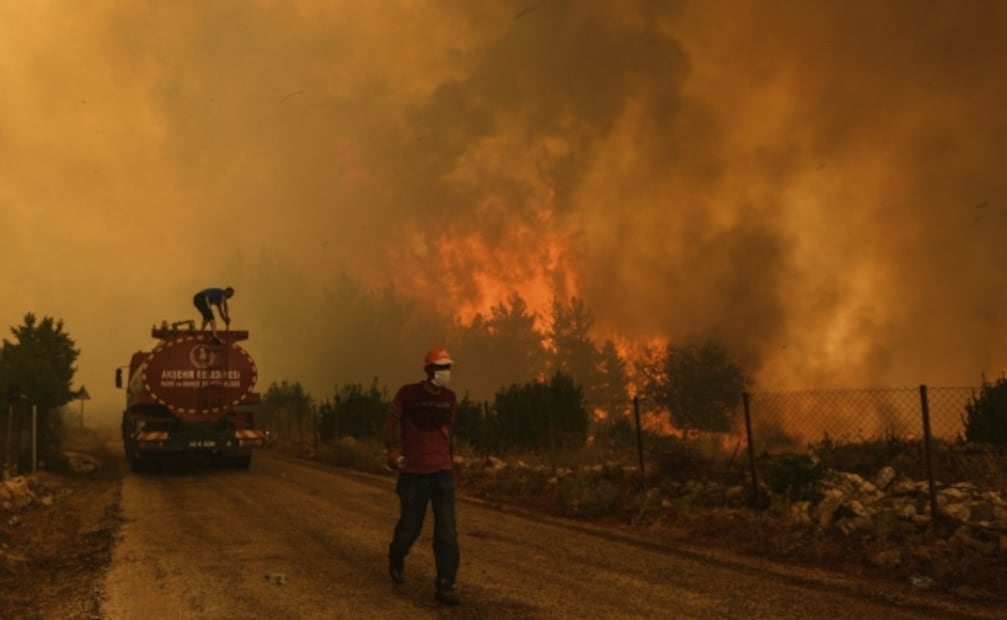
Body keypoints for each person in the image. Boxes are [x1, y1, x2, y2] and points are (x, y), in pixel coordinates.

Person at [383, 347, 461, 606]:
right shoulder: (408, 394)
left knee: (447, 532)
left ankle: (446, 584)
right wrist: (392, 451)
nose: (444, 373)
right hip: (414, 475)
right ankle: (396, 555)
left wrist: (451, 462)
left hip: (442, 474)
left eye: (447, 368)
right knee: (410, 529)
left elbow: (449, 432)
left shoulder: (450, 398)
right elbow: (391, 423)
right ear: (428, 370)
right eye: (440, 368)